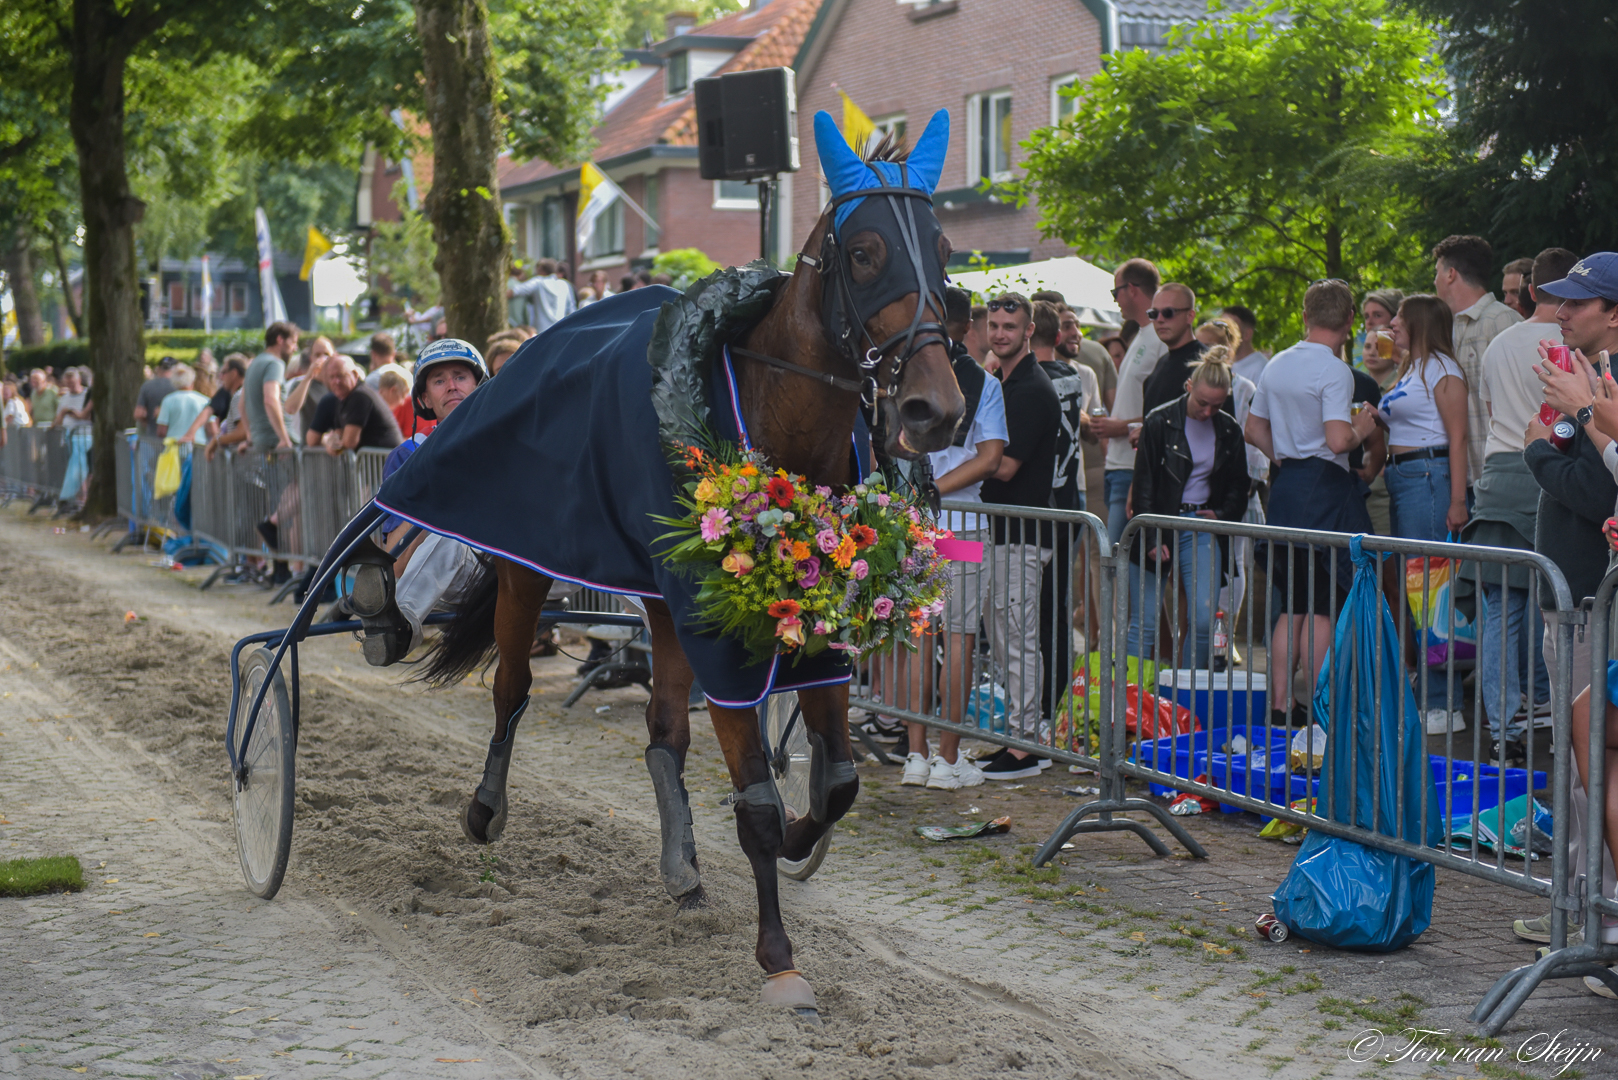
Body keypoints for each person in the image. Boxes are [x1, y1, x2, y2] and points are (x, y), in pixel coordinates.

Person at [1514, 252, 1618, 965]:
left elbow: (1601, 491)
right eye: (1557, 301)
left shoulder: (1605, 383)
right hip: (1577, 595)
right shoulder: (1589, 377)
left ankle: (1596, 920)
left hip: (1592, 598)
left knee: (1593, 768)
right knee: (1581, 764)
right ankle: (1580, 905)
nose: (1559, 313)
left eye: (1577, 303)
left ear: (1614, 311)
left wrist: (1536, 456)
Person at [1246, 280, 1381, 725]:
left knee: (1293, 603)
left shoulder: (1278, 363)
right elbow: (1338, 439)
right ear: (1348, 323)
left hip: (1286, 486)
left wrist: (1282, 455)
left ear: (1305, 316)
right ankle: (1320, 704)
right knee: (1323, 602)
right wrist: (1364, 424)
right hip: (1324, 486)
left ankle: (1282, 704)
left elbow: (1253, 428)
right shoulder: (1335, 370)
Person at [1465, 247, 1578, 755]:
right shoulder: (1572, 341)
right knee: (1563, 606)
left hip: (1499, 471)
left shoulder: (1499, 344)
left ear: (1532, 290)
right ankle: (1556, 720)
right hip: (1554, 469)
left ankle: (1501, 730)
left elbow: (1491, 413)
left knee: (1501, 609)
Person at [899, 286, 1006, 790]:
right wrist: (937, 492)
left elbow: (895, 446)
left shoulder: (906, 374)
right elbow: (989, 459)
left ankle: (916, 757)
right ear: (967, 326)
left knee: (918, 642)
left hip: (918, 528)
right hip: (960, 526)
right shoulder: (982, 382)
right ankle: (948, 758)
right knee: (959, 641)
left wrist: (920, 493)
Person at [356, 338, 492, 665]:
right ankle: (399, 627)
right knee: (448, 538)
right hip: (462, 575)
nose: (451, 387)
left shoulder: (512, 443)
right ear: (424, 398)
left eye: (460, 376)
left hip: (526, 567)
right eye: (439, 380)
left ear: (479, 386)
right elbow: (396, 561)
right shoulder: (408, 455)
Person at [974, 292, 1062, 781]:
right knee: (1004, 639)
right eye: (994, 325)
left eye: (1010, 326)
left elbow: (1004, 468)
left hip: (1022, 534)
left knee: (1019, 641)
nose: (1000, 333)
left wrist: (958, 477)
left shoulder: (1030, 388)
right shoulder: (1001, 383)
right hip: (997, 534)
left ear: (1029, 331)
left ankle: (1027, 747)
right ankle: (1018, 736)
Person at [1378, 295, 1470, 733]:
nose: (1392, 323)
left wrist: (1457, 499)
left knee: (1430, 590)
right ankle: (1427, 696)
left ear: (1418, 322)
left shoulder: (1442, 368)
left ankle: (1442, 703)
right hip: (1403, 478)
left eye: (1398, 317)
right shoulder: (1410, 368)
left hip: (1430, 478)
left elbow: (1458, 437)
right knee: (1415, 589)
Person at [1128, 358, 1251, 665]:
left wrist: (1221, 514)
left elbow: (1239, 484)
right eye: (1202, 402)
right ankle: (1129, 702)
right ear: (1189, 387)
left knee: (1203, 619)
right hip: (1161, 521)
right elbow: (1144, 485)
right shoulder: (1159, 421)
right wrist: (1153, 536)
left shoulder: (1228, 428)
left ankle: (1190, 698)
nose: (1208, 411)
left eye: (1217, 405)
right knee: (1144, 622)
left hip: (1200, 524)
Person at [1030, 299, 1099, 727]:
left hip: (1045, 506)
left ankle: (1045, 705)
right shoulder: (1073, 376)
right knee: (1053, 607)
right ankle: (1052, 701)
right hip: (1067, 502)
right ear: (1057, 337)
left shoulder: (1032, 381)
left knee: (1040, 612)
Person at [1432, 234, 1522, 490]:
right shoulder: (1445, 328)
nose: (1435, 280)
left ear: (1450, 274)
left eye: (1437, 272)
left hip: (1501, 475)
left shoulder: (1502, 321)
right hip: (1464, 479)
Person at [1090, 258, 1166, 543]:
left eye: (1115, 293)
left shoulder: (1158, 337)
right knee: (1116, 560)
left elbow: (1167, 410)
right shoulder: (1141, 334)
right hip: (1117, 465)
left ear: (1132, 289)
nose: (1115, 300)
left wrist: (1121, 427)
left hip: (1133, 469)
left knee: (1120, 561)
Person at [1140, 283, 1207, 419]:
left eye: (1168, 313)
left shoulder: (1205, 364)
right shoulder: (1162, 362)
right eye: (1153, 314)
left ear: (1190, 316)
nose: (1159, 320)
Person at [319, 355, 402, 455]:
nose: (336, 381)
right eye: (332, 377)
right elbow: (338, 434)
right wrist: (330, 441)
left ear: (354, 374)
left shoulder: (360, 396)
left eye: (340, 375)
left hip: (387, 464)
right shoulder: (343, 398)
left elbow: (349, 442)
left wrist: (328, 441)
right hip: (376, 464)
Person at [244, 322, 299, 452]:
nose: (295, 348)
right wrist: (284, 438)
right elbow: (271, 399)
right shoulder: (275, 364)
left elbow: (242, 404)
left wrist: (250, 436)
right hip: (276, 442)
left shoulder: (254, 364)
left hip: (260, 442)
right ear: (280, 340)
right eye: (293, 342)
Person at [51, 367, 93, 512]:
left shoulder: (88, 395)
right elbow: (57, 421)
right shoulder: (64, 398)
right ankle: (75, 498)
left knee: (83, 467)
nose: (70, 384)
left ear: (79, 380)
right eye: (68, 381)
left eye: (73, 381)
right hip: (69, 437)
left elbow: (86, 416)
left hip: (85, 436)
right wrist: (63, 414)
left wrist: (70, 413)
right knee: (73, 467)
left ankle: (78, 497)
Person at [154, 366, 211, 445]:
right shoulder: (204, 400)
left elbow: (161, 431)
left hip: (174, 445)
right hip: (198, 445)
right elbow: (211, 429)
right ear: (192, 381)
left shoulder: (168, 400)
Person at [1220, 304, 1267, 385]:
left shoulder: (1261, 369)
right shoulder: (1223, 364)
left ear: (1247, 334)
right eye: (1220, 326)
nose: (1222, 332)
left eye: (1230, 328)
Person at [132, 356, 176, 437]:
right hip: (173, 440)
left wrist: (146, 422)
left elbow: (138, 414)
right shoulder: (179, 388)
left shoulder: (147, 386)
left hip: (151, 438)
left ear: (158, 369)